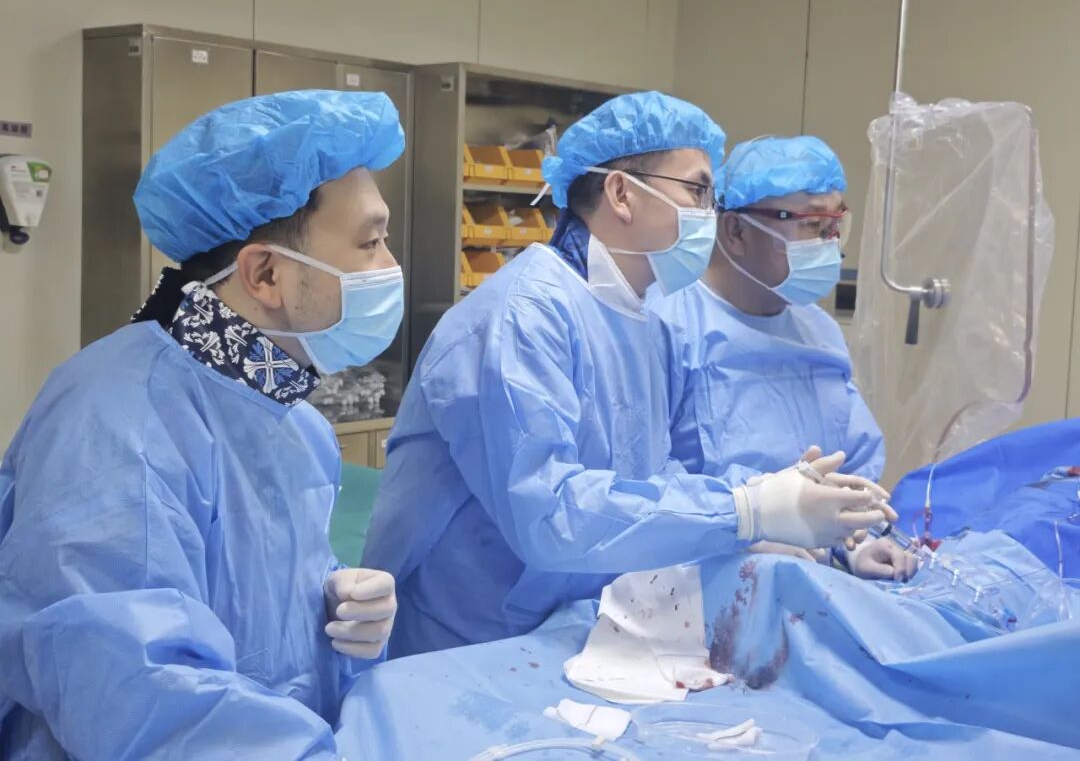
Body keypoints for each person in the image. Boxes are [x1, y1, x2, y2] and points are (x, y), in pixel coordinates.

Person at [363, 93, 889, 658]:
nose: (710, 215)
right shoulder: (522, 317)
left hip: (568, 627)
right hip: (468, 639)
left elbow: (649, 476)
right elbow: (549, 514)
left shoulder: (637, 317)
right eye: (697, 191)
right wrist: (745, 510)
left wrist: (765, 504)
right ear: (620, 193)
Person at [0, 90, 405, 759]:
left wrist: (336, 607)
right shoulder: (117, 424)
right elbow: (138, 695)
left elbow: (250, 598)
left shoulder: (289, 419)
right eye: (370, 242)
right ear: (265, 273)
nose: (389, 266)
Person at [650, 135, 910, 581]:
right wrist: (742, 530)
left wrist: (855, 542)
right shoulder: (664, 326)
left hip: (813, 578)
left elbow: (852, 463)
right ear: (736, 232)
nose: (830, 244)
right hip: (688, 583)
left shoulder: (818, 332)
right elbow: (637, 483)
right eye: (813, 225)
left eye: (836, 226)